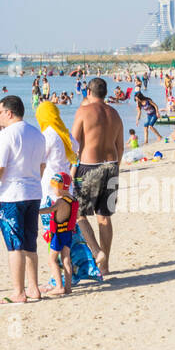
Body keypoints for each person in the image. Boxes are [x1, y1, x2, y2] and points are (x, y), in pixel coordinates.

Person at [0, 95, 47, 303]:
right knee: (30, 243)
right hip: (33, 193)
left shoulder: (6, 135)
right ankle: (34, 288)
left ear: (9, 113)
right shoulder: (37, 134)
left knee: (15, 245)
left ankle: (19, 292)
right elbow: (42, 165)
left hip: (12, 196)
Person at [69, 77, 123, 276]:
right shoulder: (115, 114)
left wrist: (69, 169)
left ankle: (96, 251)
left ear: (88, 93)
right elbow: (120, 146)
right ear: (105, 93)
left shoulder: (84, 111)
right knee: (105, 217)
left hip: (89, 167)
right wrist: (115, 168)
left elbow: (73, 143)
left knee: (78, 213)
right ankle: (105, 266)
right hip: (111, 166)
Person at [43, 172, 78, 295]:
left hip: (58, 235)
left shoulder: (60, 202)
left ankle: (59, 286)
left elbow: (49, 210)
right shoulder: (73, 199)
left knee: (52, 260)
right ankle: (68, 288)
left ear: (63, 186)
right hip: (68, 233)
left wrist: (34, 211)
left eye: (55, 185)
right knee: (66, 259)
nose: (53, 188)